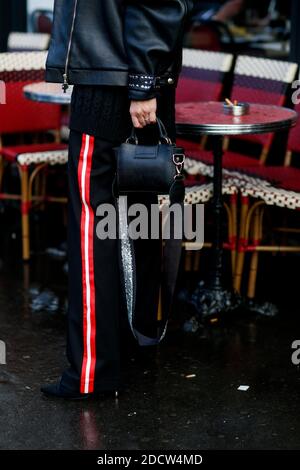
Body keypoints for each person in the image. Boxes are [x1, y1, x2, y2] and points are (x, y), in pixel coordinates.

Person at [41, 0, 194, 400]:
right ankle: (129, 345)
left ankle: (92, 371)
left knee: (95, 228)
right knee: (135, 220)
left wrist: (141, 82)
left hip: (116, 85)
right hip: (127, 81)